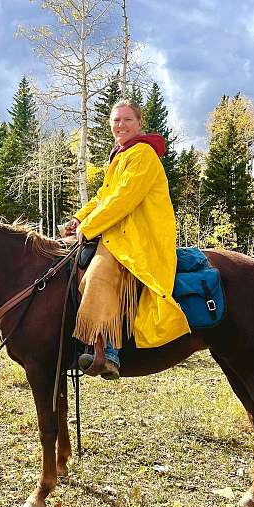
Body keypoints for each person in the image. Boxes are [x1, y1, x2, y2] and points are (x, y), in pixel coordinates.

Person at [64, 99, 190, 380]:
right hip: (120, 231)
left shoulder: (143, 154)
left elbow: (124, 199)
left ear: (139, 124)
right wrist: (79, 218)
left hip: (138, 237)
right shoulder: (121, 155)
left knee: (99, 273)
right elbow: (103, 197)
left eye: (127, 120)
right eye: (116, 120)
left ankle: (108, 352)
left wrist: (91, 226)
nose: (120, 125)